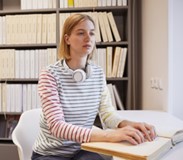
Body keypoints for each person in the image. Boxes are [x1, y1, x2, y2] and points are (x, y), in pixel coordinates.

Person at [31, 13, 156, 160]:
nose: (88, 38)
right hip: (50, 154)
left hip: (82, 148)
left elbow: (107, 114)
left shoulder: (97, 73)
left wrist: (129, 125)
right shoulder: (49, 75)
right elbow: (58, 127)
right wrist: (109, 135)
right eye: (81, 33)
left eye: (91, 33)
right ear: (67, 39)